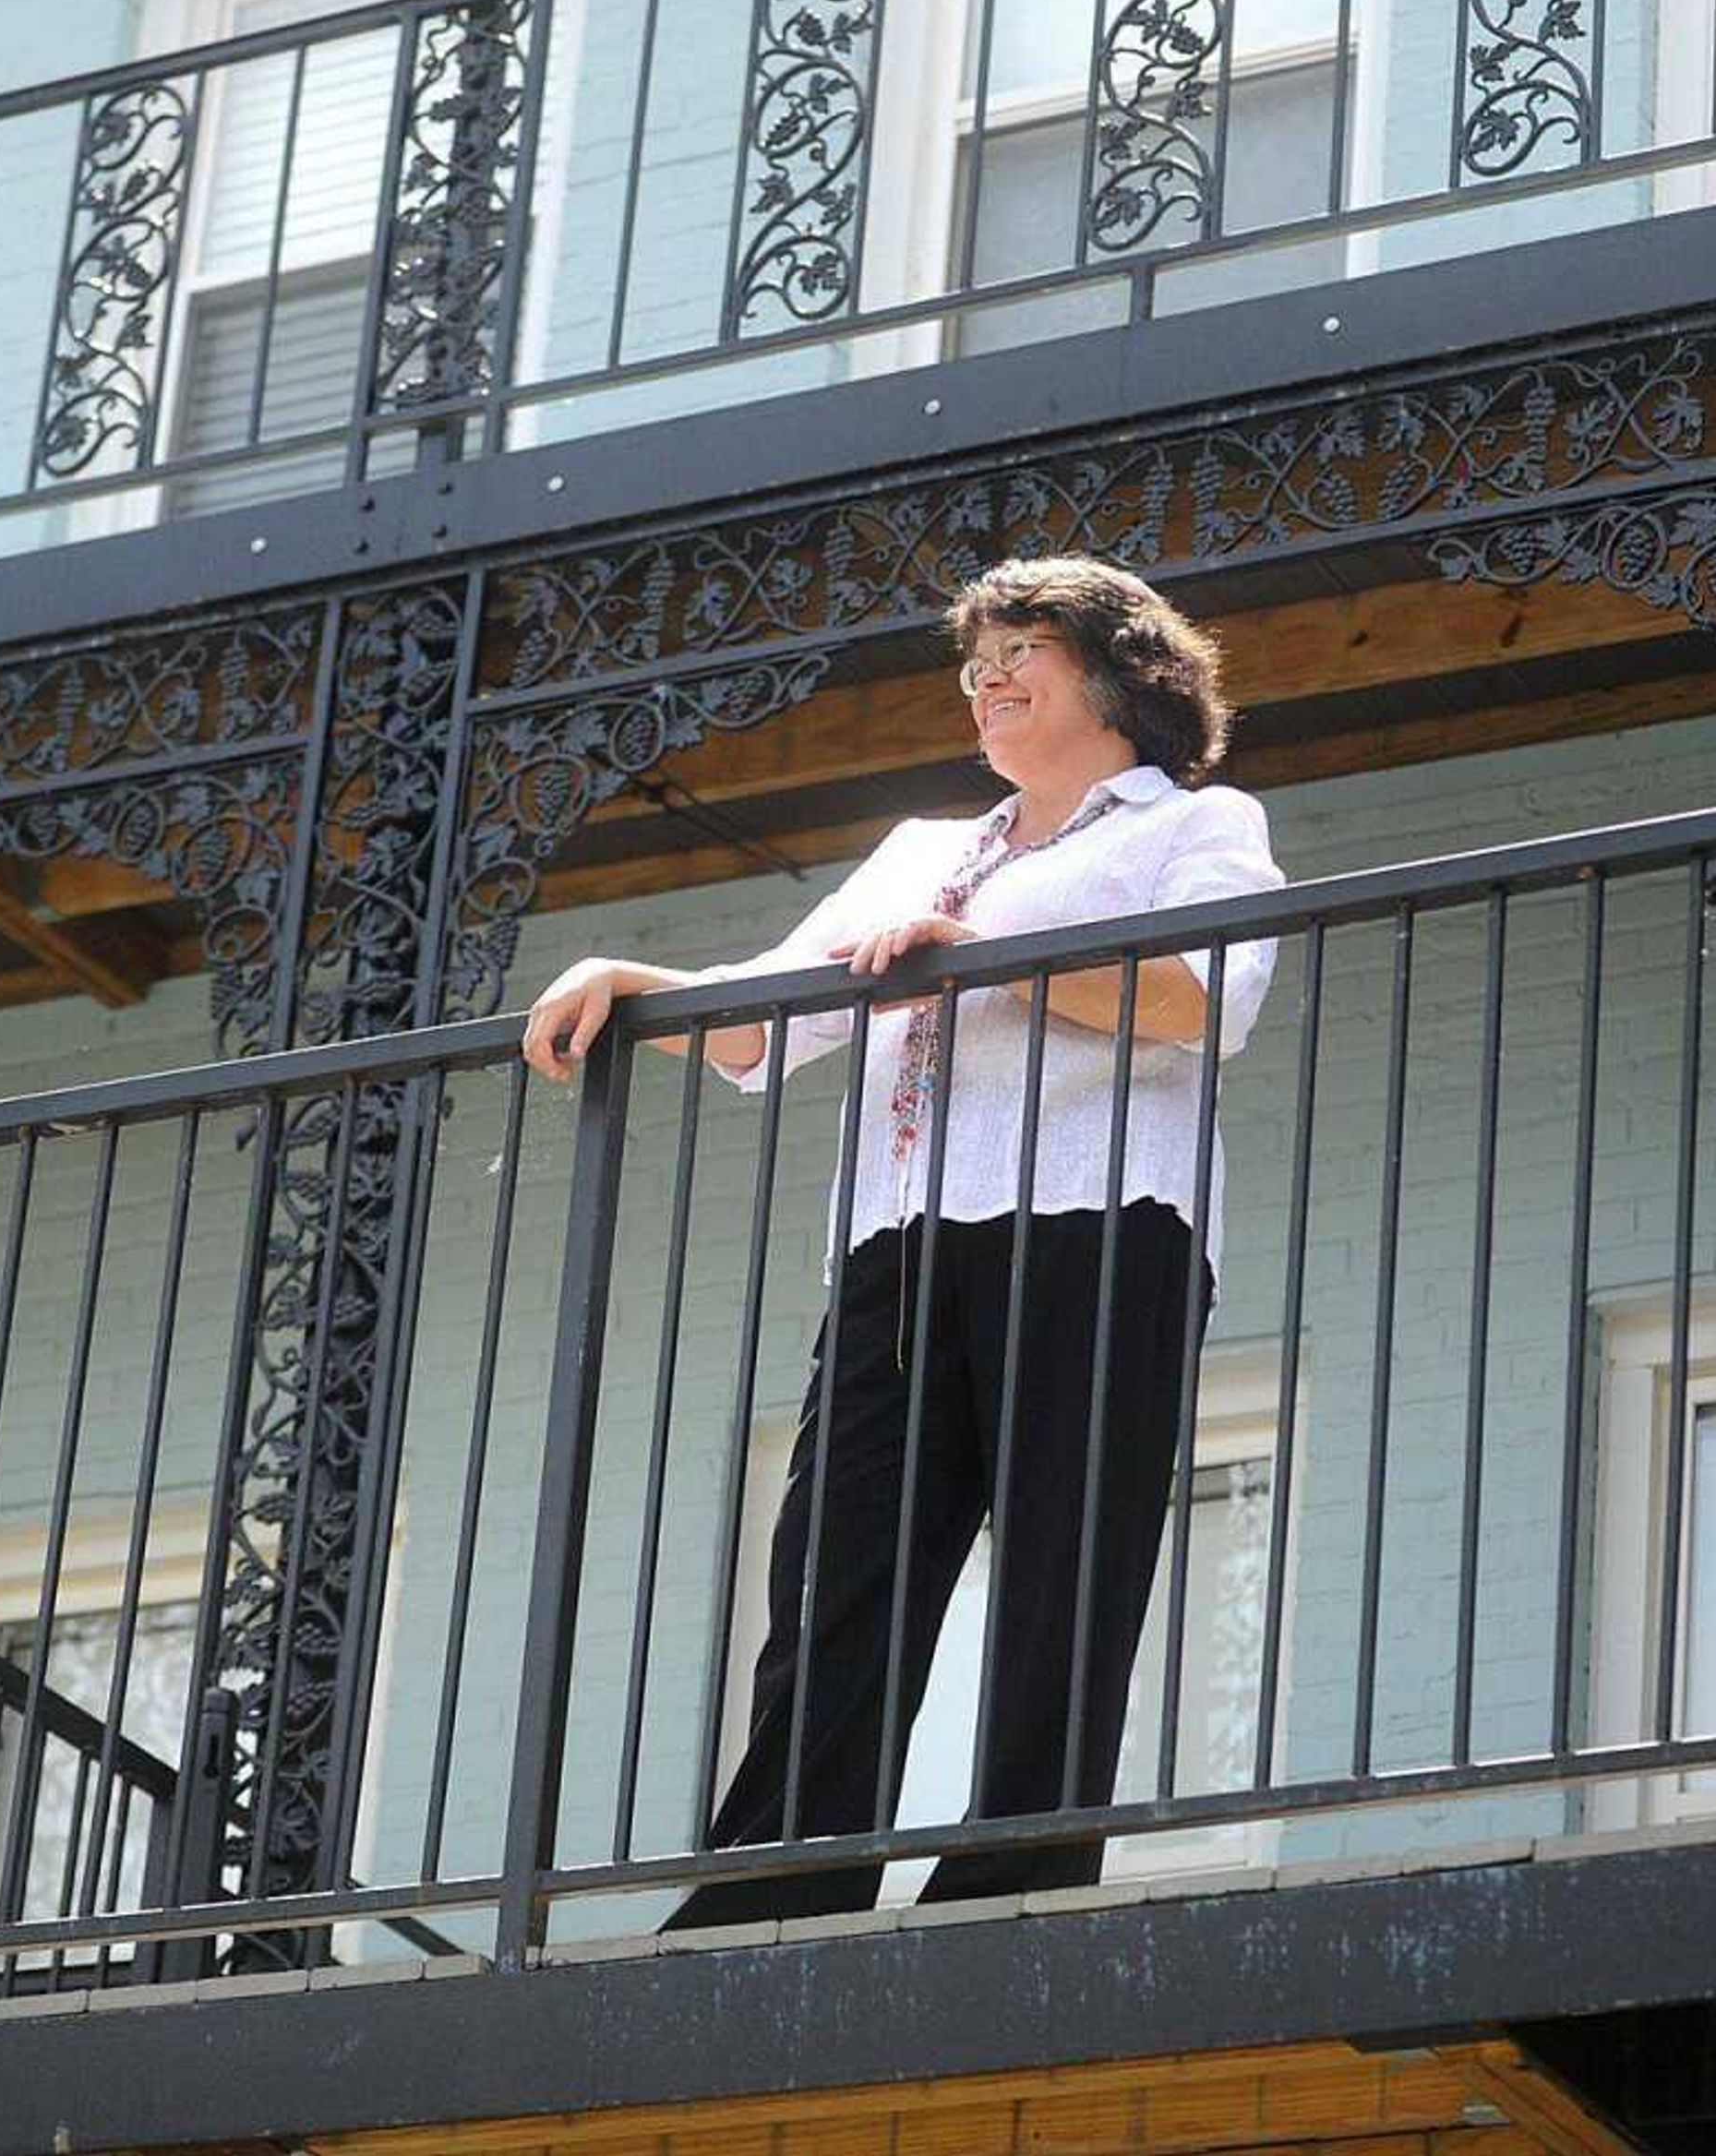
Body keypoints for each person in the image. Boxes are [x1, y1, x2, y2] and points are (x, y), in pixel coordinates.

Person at [518, 555, 1283, 1923]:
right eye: (973, 661)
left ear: (1119, 673)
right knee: (833, 1571)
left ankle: (1015, 1870)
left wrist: (981, 949)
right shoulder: (925, 848)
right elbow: (766, 1018)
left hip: (1103, 1226)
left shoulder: (1197, 824)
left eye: (1020, 650)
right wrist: (628, 978)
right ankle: (780, 1878)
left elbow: (1206, 1000)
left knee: (1066, 1565)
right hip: (903, 1240)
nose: (985, 680)